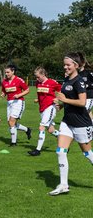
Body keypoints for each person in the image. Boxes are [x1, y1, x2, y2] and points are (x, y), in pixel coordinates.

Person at [49, 53, 93, 196]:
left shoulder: (79, 81)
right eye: (64, 64)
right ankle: (63, 185)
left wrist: (64, 100)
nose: (65, 67)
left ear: (76, 65)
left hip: (81, 123)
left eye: (68, 64)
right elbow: (68, 98)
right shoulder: (67, 79)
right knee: (60, 151)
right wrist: (61, 105)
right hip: (68, 121)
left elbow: (82, 102)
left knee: (87, 153)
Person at [28, 67, 61, 156]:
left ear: (43, 74)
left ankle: (37, 150)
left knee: (41, 127)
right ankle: (64, 139)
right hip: (42, 108)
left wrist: (57, 99)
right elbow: (41, 95)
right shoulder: (37, 83)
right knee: (51, 130)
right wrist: (38, 100)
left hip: (50, 107)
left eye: (38, 77)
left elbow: (61, 90)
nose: (37, 79)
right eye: (36, 77)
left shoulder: (52, 82)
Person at [1, 64, 32, 146]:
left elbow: (27, 90)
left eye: (8, 72)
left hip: (18, 102)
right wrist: (3, 94)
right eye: (5, 72)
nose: (6, 74)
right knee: (10, 123)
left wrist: (19, 95)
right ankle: (27, 129)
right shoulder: (4, 81)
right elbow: (4, 91)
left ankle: (13, 143)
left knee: (11, 121)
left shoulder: (19, 80)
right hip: (9, 103)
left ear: (13, 71)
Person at [77, 52, 93, 121]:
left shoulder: (89, 73)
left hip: (90, 97)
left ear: (83, 63)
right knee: (88, 112)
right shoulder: (76, 74)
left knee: (84, 112)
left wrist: (88, 85)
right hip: (81, 97)